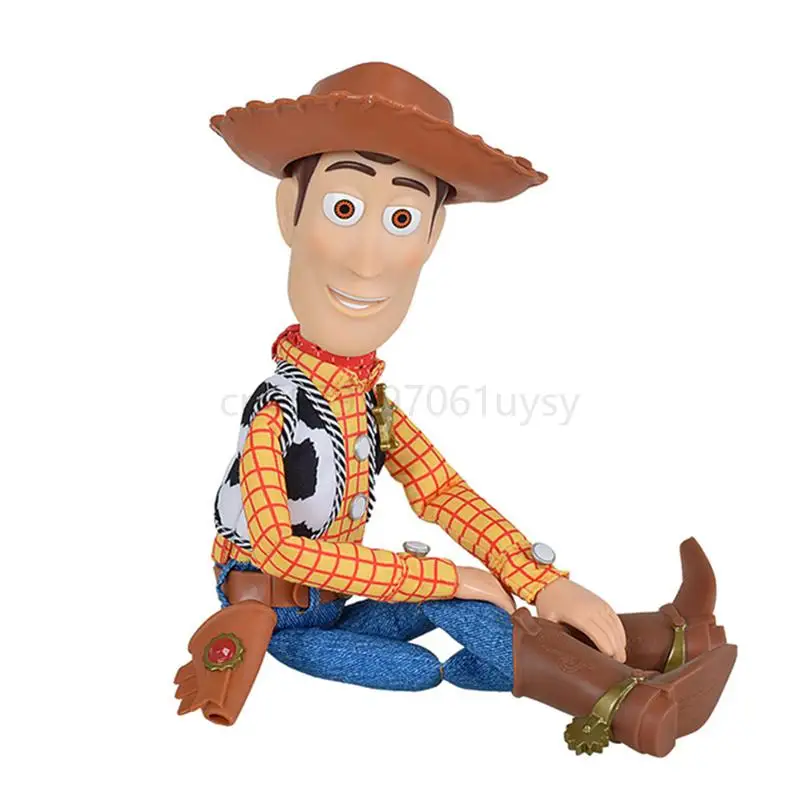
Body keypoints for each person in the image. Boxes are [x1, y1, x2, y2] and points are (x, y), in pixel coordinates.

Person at [174, 62, 736, 756]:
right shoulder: (277, 410)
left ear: (431, 239)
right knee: (422, 660)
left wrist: (543, 583)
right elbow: (278, 549)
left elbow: (442, 491)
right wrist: (444, 576)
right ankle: (631, 705)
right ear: (291, 210)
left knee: (472, 604)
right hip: (279, 623)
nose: (369, 261)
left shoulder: (368, 404)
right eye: (343, 208)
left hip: (343, 603)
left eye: (402, 219)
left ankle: (662, 641)